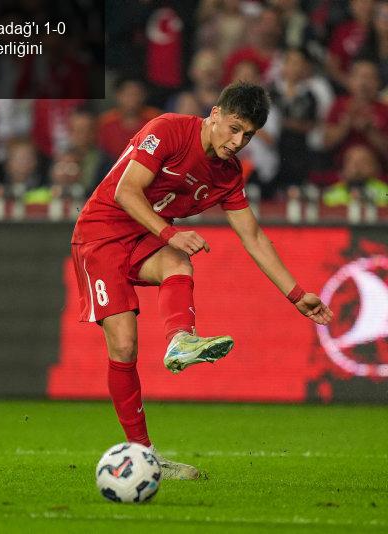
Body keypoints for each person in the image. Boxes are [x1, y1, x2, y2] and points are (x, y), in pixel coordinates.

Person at [70, 81, 333, 479]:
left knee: (178, 262)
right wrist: (170, 232)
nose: (238, 140)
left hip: (145, 238)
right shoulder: (169, 129)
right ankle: (144, 455)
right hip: (101, 235)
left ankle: (181, 340)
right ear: (214, 114)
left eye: (248, 135)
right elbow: (126, 192)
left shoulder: (228, 174)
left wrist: (296, 295)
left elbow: (254, 236)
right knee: (124, 346)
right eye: (233, 127)